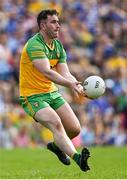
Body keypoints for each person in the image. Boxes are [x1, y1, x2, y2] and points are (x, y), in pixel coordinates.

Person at [19, 9, 90, 172]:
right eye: (53, 22)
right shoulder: (34, 44)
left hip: (51, 93)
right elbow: (47, 72)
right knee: (56, 123)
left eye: (58, 22)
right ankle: (78, 158)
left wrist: (79, 87)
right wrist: (69, 85)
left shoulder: (57, 46)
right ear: (43, 25)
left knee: (74, 129)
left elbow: (66, 73)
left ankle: (58, 147)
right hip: (32, 96)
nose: (58, 26)